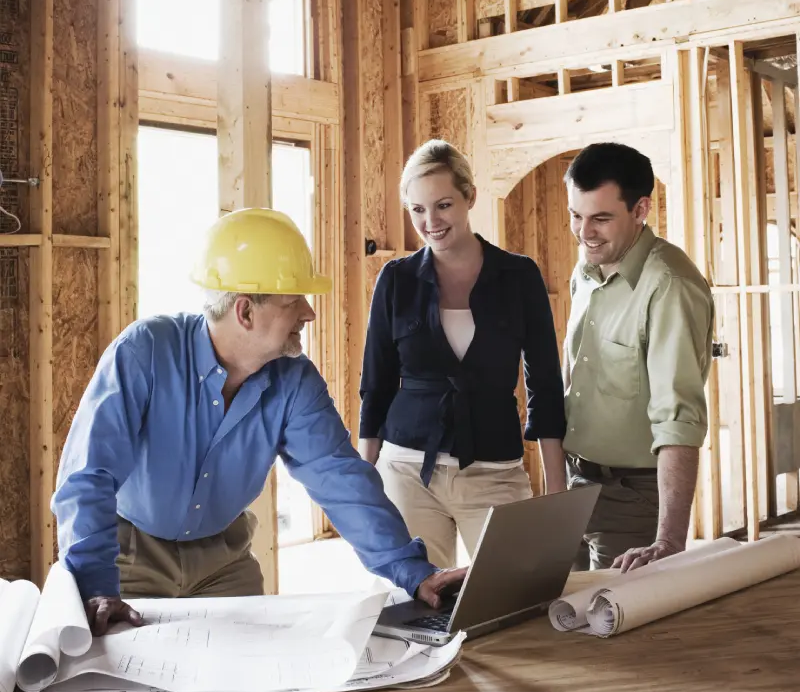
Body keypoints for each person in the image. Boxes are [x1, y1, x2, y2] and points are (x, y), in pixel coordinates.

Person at [53, 208, 464, 635]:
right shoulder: (144, 352)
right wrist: (93, 583)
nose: (309, 314)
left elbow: (339, 477)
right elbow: (89, 474)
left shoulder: (294, 379)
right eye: (294, 302)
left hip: (224, 563)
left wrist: (412, 571)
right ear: (246, 312)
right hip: (129, 558)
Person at [358, 140, 566, 570]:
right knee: (413, 609)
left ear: (470, 197)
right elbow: (375, 386)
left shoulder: (518, 276)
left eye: (443, 205)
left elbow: (544, 382)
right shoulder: (395, 280)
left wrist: (557, 491)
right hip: (405, 471)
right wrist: (364, 484)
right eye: (417, 210)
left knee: (515, 594)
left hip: (494, 470)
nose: (430, 221)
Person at [562, 142, 713, 573]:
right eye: (576, 215)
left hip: (632, 497)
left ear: (641, 209)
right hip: (573, 488)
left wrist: (668, 541)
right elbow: (573, 372)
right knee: (553, 624)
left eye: (601, 218)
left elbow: (677, 418)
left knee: (613, 629)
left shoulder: (670, 286)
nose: (584, 232)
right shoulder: (586, 267)